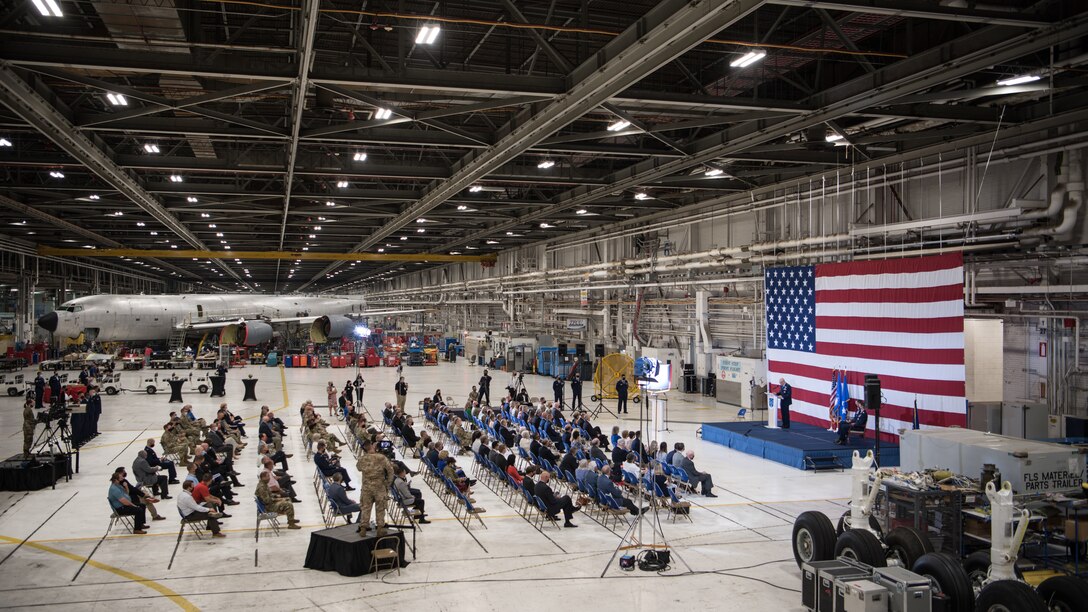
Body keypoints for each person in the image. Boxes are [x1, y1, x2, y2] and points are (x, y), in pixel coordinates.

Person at [357, 440, 394, 534]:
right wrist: (387, 484)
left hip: (366, 487)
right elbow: (390, 471)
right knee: (380, 508)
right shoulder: (381, 457)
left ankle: (363, 529)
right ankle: (380, 529)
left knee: (366, 508)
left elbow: (359, 468)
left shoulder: (362, 458)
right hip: (379, 487)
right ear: (373, 446)